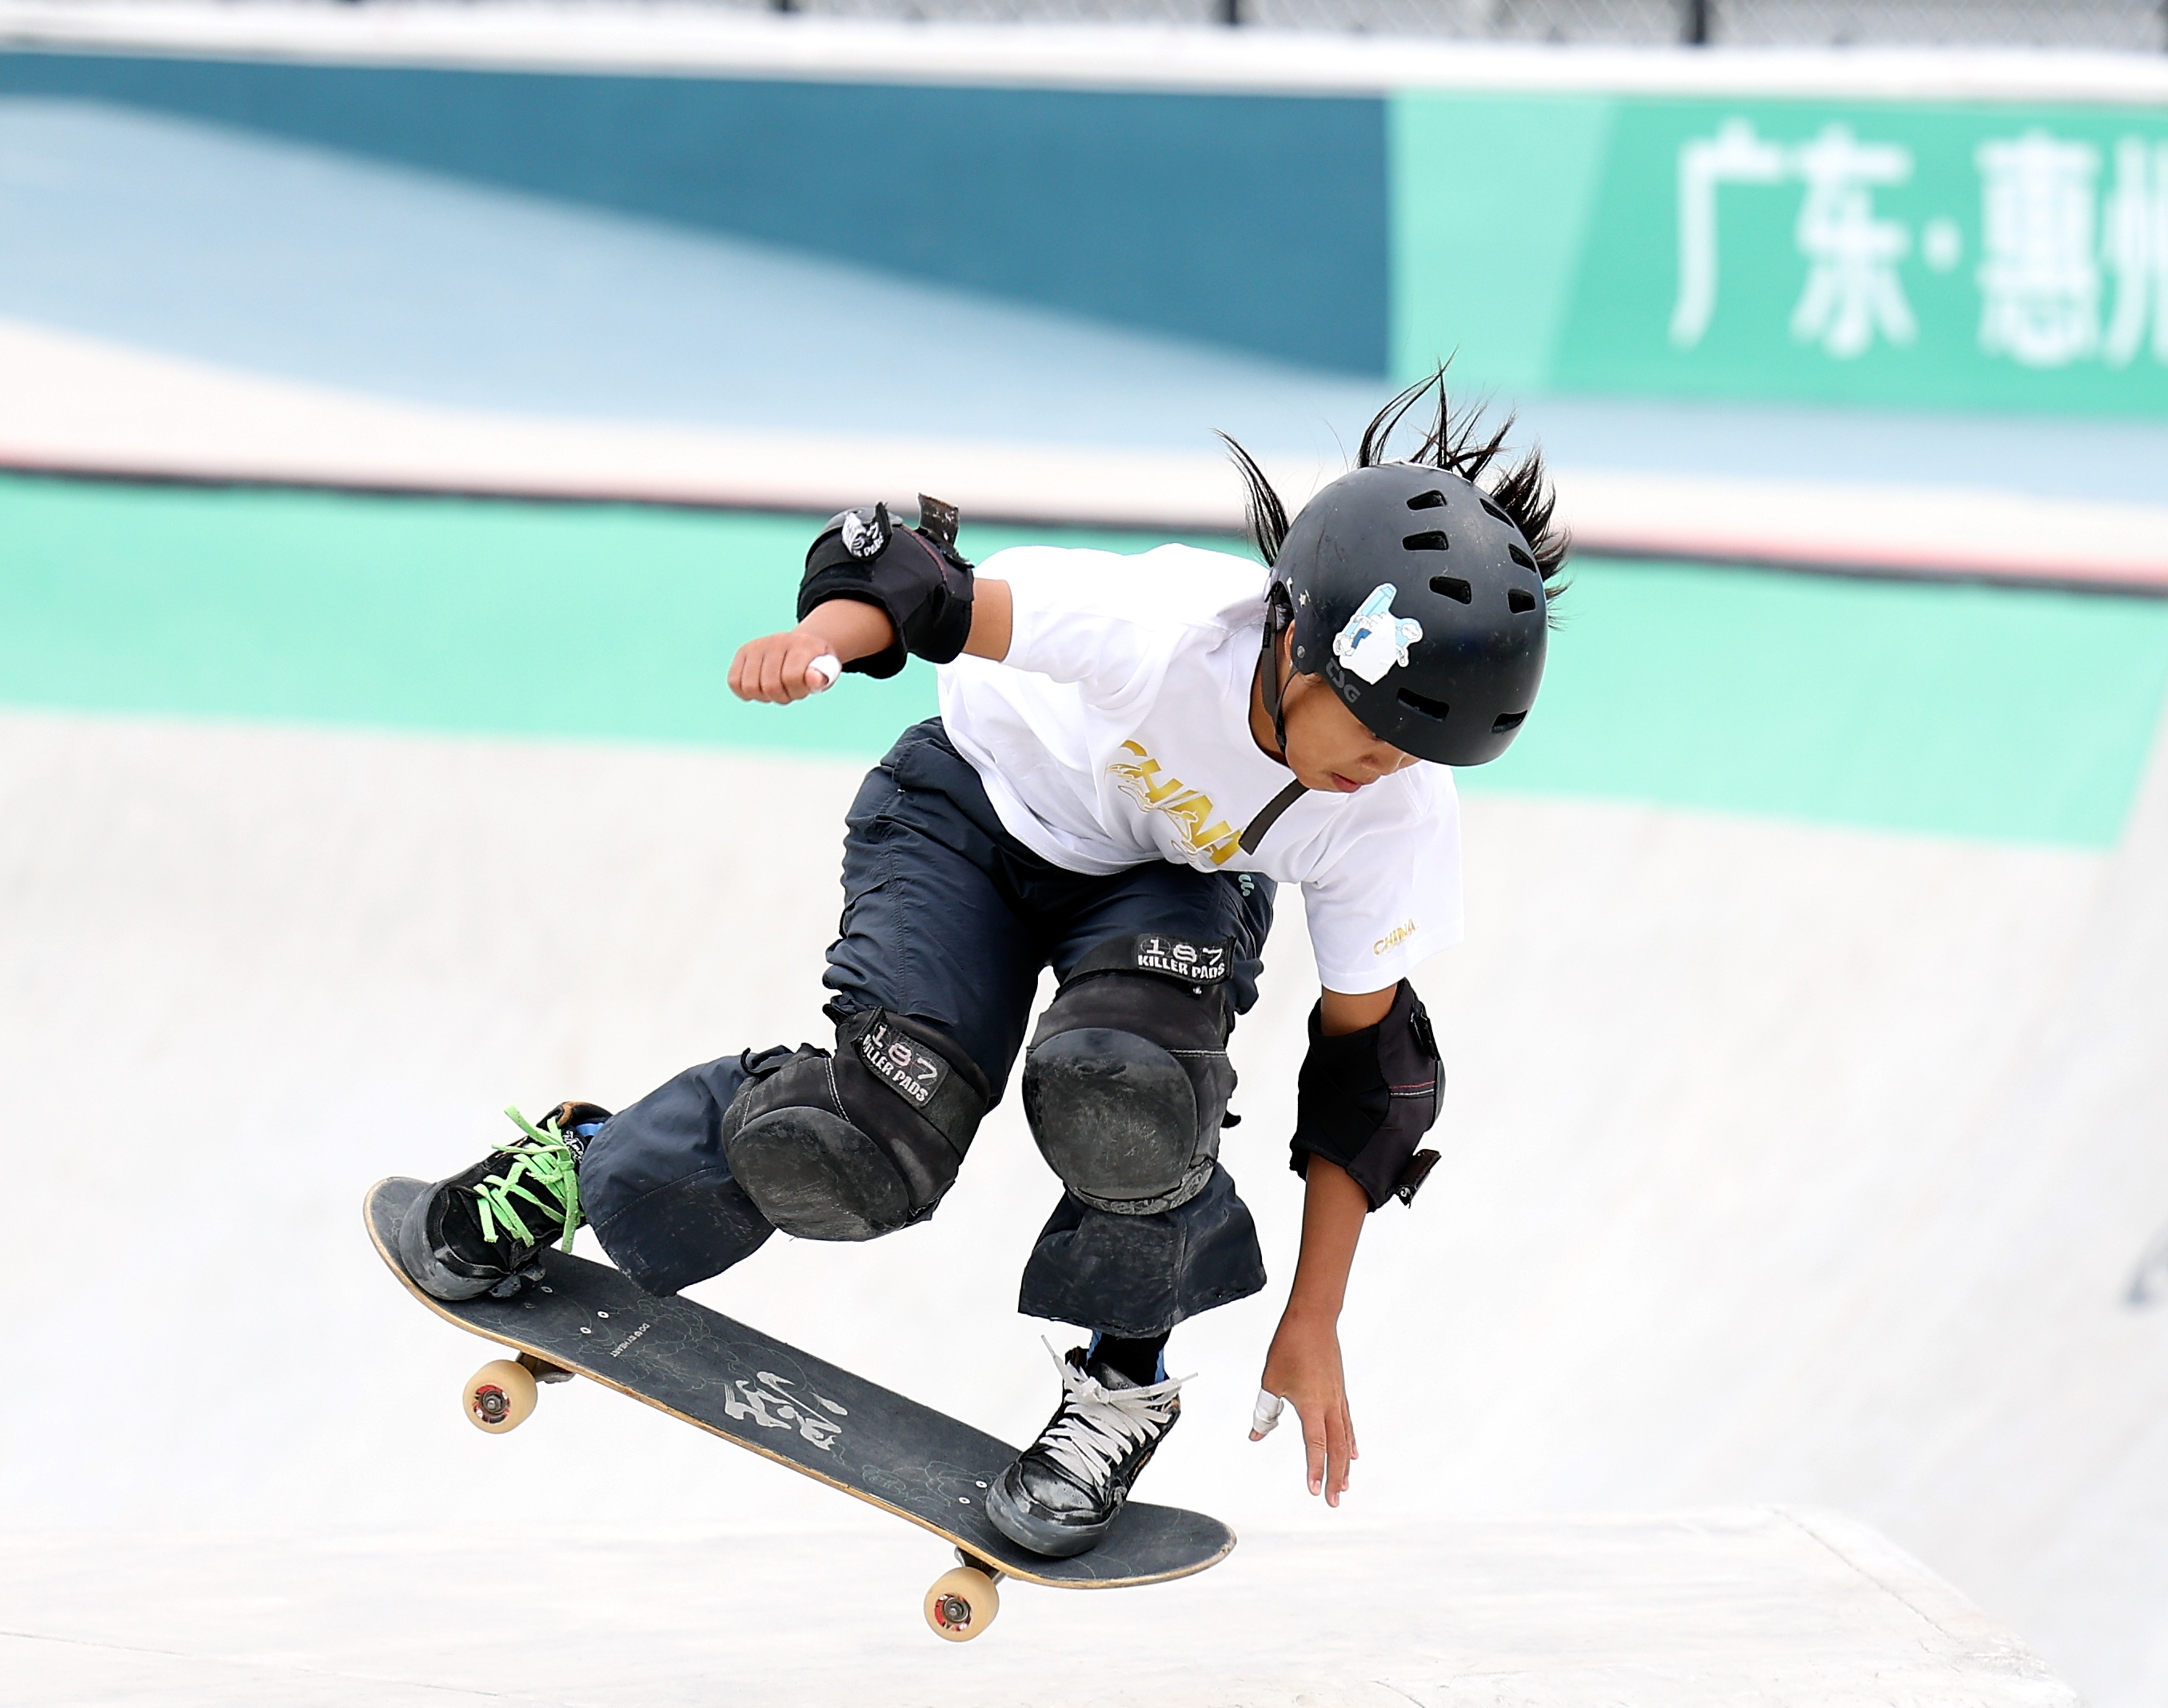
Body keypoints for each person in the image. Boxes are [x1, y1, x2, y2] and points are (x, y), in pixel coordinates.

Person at [397, 384, 1566, 1556]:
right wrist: (824, 638)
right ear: (1299, 641)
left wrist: (1314, 1317)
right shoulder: (1158, 631)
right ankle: (587, 1164)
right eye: (1375, 728)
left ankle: (1122, 1386)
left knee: (1134, 1089)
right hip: (967, 815)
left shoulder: (1393, 809)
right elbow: (915, 583)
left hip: (1165, 884)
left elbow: (1370, 1078)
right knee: (860, 1146)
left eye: (1422, 749)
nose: (1387, 768)